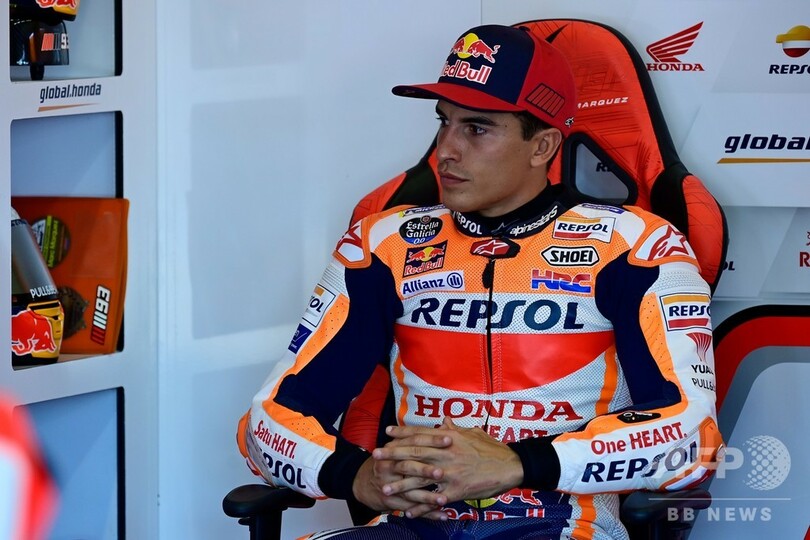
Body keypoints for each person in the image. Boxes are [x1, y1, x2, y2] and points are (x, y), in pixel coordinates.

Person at [237, 24, 723, 540]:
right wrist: (353, 476)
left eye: (477, 128)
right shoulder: (382, 245)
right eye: (443, 122)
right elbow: (265, 425)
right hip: (412, 523)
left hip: (557, 524)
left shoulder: (636, 245)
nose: (445, 151)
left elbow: (693, 439)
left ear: (543, 146)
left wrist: (518, 463)